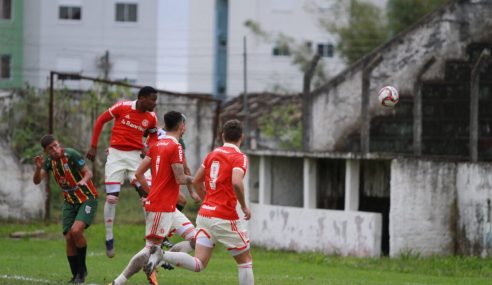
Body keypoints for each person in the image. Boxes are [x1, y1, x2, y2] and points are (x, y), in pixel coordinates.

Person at [145, 119, 254, 285]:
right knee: (245, 260)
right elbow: (237, 182)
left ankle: (162, 255)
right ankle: (161, 255)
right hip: (225, 216)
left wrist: (207, 200)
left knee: (200, 263)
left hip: (205, 215)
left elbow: (196, 180)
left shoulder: (212, 154)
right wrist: (244, 207)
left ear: (222, 135)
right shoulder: (239, 157)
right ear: (242, 137)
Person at [108, 111, 193, 285]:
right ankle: (117, 283)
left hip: (168, 206)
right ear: (181, 126)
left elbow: (139, 173)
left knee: (196, 239)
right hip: (160, 206)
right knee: (149, 248)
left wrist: (151, 192)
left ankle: (160, 259)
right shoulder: (175, 146)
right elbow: (180, 178)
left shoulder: (156, 144)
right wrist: (202, 179)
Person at [86, 86, 158, 258]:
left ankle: (150, 241)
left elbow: (154, 136)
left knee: (148, 197)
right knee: (112, 197)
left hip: (136, 158)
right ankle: (109, 236)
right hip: (116, 155)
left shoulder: (152, 117)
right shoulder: (122, 107)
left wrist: (148, 148)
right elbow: (100, 121)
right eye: (152, 99)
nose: (155, 103)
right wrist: (93, 146)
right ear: (141, 98)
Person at [33, 135, 98, 284]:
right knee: (69, 237)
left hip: (87, 198)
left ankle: (82, 272)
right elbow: (37, 181)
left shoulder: (71, 154)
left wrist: (82, 181)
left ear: (59, 143)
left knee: (76, 231)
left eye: (56, 145)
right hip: (70, 202)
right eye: (51, 148)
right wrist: (38, 168)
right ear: (46, 151)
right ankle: (75, 276)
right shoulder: (49, 161)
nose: (55, 150)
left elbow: (89, 172)